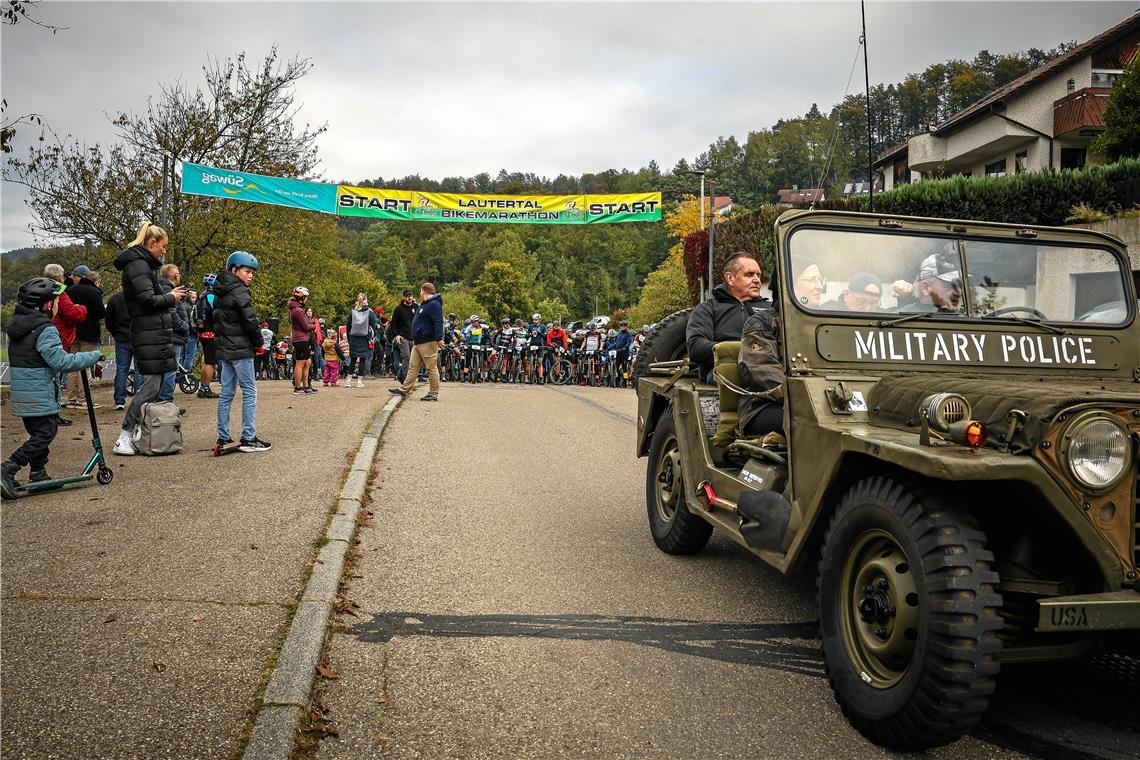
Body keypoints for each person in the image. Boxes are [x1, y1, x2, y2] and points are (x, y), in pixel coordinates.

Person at [1, 278, 104, 499]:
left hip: (23, 393)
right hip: (40, 392)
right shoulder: (45, 329)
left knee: (38, 432)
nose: (58, 305)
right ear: (48, 305)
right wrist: (92, 356)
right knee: (46, 432)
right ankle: (8, 467)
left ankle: (38, 473)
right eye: (56, 301)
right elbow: (61, 362)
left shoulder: (19, 327)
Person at [111, 222, 188, 455]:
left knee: (153, 384)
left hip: (152, 332)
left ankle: (134, 431)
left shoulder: (142, 265)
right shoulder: (138, 265)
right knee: (151, 386)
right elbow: (147, 301)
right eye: (162, 246)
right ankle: (125, 434)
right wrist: (171, 298)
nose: (164, 251)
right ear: (151, 243)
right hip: (148, 332)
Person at [213, 251, 270, 452]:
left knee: (226, 393)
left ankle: (223, 436)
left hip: (225, 350)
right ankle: (248, 437)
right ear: (234, 270)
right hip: (241, 349)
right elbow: (251, 321)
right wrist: (259, 341)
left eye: (252, 272)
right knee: (250, 391)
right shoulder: (240, 291)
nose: (251, 276)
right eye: (247, 271)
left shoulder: (219, 291)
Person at [686, 252, 771, 383]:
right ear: (730, 278)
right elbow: (696, 347)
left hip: (769, 369)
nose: (757, 280)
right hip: (725, 373)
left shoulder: (771, 309)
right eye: (749, 274)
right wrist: (740, 350)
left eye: (758, 275)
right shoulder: (707, 309)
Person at [389, 282, 443, 401]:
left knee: (431, 368)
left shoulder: (434, 304)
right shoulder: (424, 304)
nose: (419, 293)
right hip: (418, 342)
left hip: (428, 341)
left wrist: (439, 338)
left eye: (420, 291)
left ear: (424, 291)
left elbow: (438, 322)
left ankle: (433, 393)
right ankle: (404, 389)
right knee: (413, 367)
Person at [63, 268, 106, 409]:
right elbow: (101, 313)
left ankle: (71, 398)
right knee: (86, 365)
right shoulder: (95, 292)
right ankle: (84, 398)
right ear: (97, 282)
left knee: (72, 366)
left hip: (73, 332)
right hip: (89, 333)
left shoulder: (70, 291)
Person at [158, 263, 190, 403]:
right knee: (171, 368)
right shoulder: (168, 290)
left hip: (170, 334)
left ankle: (162, 397)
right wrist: (183, 326)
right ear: (175, 276)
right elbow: (171, 312)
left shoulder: (163, 288)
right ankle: (166, 398)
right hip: (173, 335)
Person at [892, 253, 964, 314]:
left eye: (959, 285)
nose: (959, 293)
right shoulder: (901, 319)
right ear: (925, 288)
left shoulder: (966, 316)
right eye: (949, 286)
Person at [344, 292, 381, 388]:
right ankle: (359, 382)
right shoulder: (369, 312)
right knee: (362, 360)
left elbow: (348, 327)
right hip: (365, 338)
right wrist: (373, 338)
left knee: (353, 359)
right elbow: (373, 327)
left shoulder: (352, 312)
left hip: (353, 338)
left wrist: (349, 339)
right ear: (365, 300)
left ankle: (348, 381)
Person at [104, 289, 133, 410]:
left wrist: (114, 332)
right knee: (140, 369)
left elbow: (109, 320)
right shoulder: (138, 298)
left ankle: (119, 400)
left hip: (121, 337)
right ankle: (139, 399)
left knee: (122, 369)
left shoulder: (114, 299)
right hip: (137, 336)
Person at [193, 273, 220, 398]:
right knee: (211, 362)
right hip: (211, 332)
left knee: (207, 361)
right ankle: (205, 388)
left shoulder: (200, 295)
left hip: (202, 332)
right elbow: (217, 313)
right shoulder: (211, 296)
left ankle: (203, 387)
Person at [288, 286, 315, 395]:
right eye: (306, 297)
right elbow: (306, 327)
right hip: (300, 339)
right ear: (302, 297)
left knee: (307, 362)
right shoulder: (298, 310)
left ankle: (306, 385)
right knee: (300, 363)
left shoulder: (294, 308)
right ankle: (297, 387)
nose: (307, 299)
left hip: (301, 338)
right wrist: (315, 325)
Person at [388, 289, 416, 382]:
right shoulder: (398, 309)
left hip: (413, 337)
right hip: (402, 337)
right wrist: (396, 335)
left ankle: (400, 375)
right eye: (407, 296)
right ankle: (405, 379)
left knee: (414, 359)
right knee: (406, 357)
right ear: (404, 297)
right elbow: (393, 324)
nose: (409, 298)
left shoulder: (416, 307)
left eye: (410, 295)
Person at [613, 320, 633, 387]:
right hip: (618, 352)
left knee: (624, 368)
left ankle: (625, 381)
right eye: (621, 325)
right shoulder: (619, 334)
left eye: (624, 325)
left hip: (624, 352)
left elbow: (629, 342)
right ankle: (617, 380)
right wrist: (612, 348)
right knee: (617, 367)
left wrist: (625, 347)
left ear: (626, 326)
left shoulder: (628, 334)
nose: (622, 327)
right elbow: (616, 343)